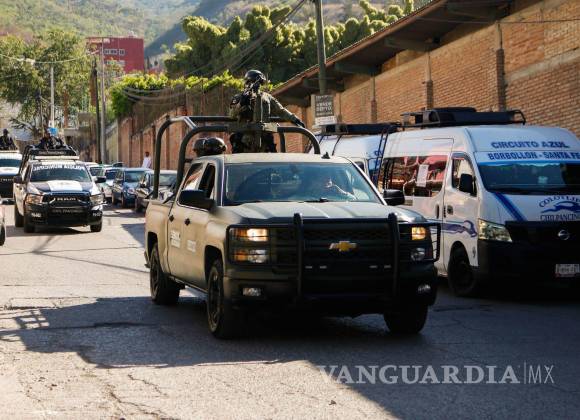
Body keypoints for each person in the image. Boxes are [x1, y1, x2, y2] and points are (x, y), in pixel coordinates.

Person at [229, 70, 305, 153]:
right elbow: (232, 115)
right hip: (245, 139)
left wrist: (295, 119)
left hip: (264, 139)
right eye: (253, 82)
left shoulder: (267, 97)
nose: (257, 85)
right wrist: (241, 103)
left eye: (259, 83)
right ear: (247, 82)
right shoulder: (240, 97)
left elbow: (281, 111)